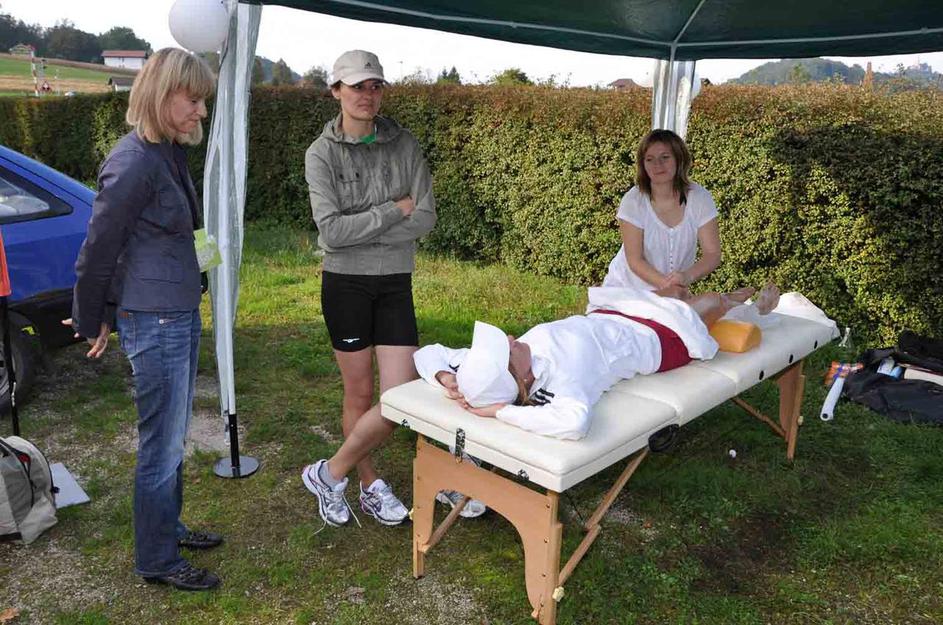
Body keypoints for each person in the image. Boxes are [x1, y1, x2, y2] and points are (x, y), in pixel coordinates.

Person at [299, 283, 779, 525]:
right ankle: (750, 303)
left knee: (683, 296)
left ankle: (743, 301)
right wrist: (493, 410)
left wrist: (452, 380)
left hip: (616, 321)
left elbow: (429, 354)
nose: (510, 338)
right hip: (655, 341)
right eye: (507, 350)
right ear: (521, 378)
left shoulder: (498, 365)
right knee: (703, 306)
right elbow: (574, 422)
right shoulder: (563, 378)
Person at [66, 48, 221, 591]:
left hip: (177, 310)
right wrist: (92, 316)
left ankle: (167, 528)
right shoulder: (132, 161)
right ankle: (157, 558)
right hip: (156, 321)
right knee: (161, 444)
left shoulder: (166, 152)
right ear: (161, 94)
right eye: (193, 99)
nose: (201, 111)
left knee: (173, 436)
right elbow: (100, 247)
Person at [301, 49, 451, 527]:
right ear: (336, 91)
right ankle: (368, 484)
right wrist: (391, 211)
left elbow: (425, 216)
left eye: (375, 86)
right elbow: (331, 232)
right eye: (357, 86)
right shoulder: (321, 154)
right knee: (360, 393)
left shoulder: (404, 145)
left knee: (401, 395)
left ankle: (329, 473)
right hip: (345, 283)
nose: (367, 95)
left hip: (394, 282)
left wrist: (365, 227)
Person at [603, 129, 722, 291]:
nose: (657, 165)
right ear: (643, 165)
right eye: (649, 159)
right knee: (704, 302)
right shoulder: (633, 201)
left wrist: (687, 277)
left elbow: (712, 254)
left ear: (679, 159)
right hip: (627, 289)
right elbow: (635, 261)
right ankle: (726, 300)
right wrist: (667, 286)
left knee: (705, 303)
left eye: (665, 157)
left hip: (673, 290)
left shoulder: (700, 198)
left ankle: (727, 301)